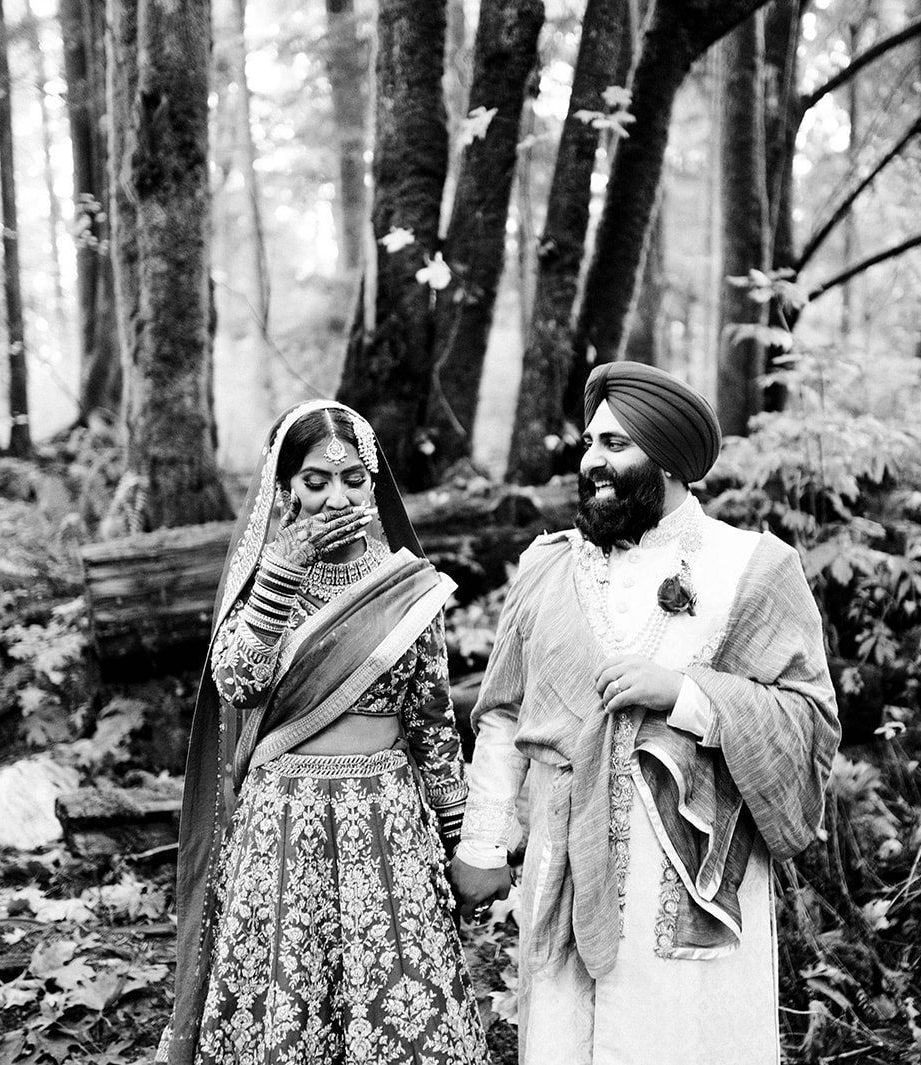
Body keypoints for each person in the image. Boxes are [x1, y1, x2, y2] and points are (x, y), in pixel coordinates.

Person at [451, 362, 841, 1064]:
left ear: (666, 461)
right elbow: (504, 713)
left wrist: (685, 696)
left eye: (615, 445)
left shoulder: (752, 567)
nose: (592, 461)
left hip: (685, 878)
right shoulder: (547, 565)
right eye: (589, 443)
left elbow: (807, 725)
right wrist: (483, 843)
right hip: (560, 863)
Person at [159, 400, 490, 1065]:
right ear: (284, 490)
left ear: (374, 483)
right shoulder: (263, 588)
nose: (336, 497)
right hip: (281, 823)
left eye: (352, 479)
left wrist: (465, 840)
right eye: (316, 481)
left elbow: (431, 724)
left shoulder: (408, 588)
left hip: (386, 825)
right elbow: (238, 683)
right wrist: (281, 576)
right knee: (289, 1001)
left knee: (397, 1003)